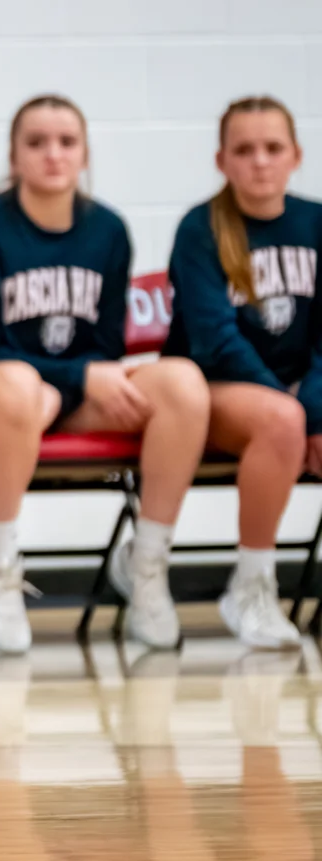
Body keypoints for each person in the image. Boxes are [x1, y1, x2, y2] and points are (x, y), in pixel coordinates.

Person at [0, 95, 210, 654]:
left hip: (66, 393)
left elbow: (105, 347)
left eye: (66, 142)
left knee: (182, 382)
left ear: (85, 153)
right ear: (13, 156)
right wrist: (74, 377)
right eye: (36, 143)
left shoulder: (108, 230)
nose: (52, 155)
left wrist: (75, 380)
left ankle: (146, 565)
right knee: (17, 386)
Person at [164, 96, 312, 649]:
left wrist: (312, 410)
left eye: (273, 148)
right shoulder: (200, 229)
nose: (260, 162)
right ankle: (252, 587)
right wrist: (293, 407)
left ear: (295, 156)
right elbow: (214, 340)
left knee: (289, 417)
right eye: (244, 150)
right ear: (221, 160)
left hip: (295, 393)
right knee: (279, 421)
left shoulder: (316, 223)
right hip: (214, 390)